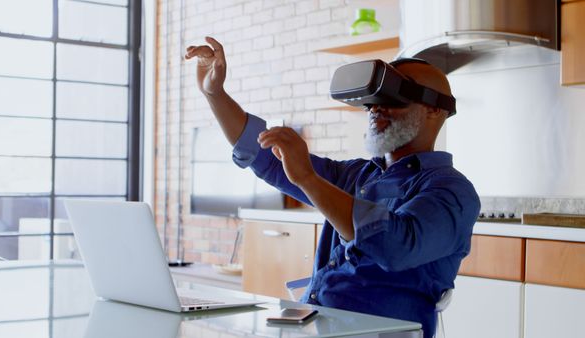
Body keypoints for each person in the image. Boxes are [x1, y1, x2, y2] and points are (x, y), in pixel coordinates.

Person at [185, 36, 480, 338]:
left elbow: (396, 245)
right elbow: (267, 157)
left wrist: (309, 180)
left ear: (434, 110)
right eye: (373, 99)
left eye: (393, 97)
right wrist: (215, 94)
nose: (375, 109)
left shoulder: (451, 191)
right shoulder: (356, 175)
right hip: (313, 325)